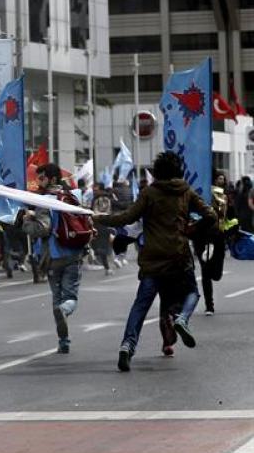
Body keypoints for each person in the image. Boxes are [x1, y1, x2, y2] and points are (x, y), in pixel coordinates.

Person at [93, 152, 216, 371]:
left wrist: (100, 218)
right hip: (179, 257)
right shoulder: (186, 192)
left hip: (153, 260)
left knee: (140, 306)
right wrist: (192, 229)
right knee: (192, 293)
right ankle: (182, 319)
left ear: (157, 171)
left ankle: (127, 346)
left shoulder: (149, 193)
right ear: (179, 171)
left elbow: (127, 218)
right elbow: (210, 215)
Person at [20, 163, 87, 354]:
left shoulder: (45, 200)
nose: (38, 181)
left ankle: (63, 340)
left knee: (57, 298)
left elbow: (43, 228)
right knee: (71, 296)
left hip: (53, 256)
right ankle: (66, 310)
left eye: (41, 178)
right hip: (74, 253)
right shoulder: (75, 196)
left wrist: (27, 221)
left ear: (52, 179)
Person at [194, 170, 228, 315]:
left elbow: (223, 215)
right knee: (206, 272)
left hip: (217, 235)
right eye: (219, 178)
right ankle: (209, 305)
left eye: (222, 179)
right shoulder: (198, 193)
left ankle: (209, 305)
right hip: (203, 237)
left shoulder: (221, 195)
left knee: (216, 274)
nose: (221, 181)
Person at [90, 182, 116, 276]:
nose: (93, 190)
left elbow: (93, 211)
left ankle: (107, 266)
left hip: (99, 224)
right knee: (107, 245)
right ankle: (111, 263)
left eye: (95, 189)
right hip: (108, 223)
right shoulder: (109, 197)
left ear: (99, 189)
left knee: (101, 246)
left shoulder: (97, 198)